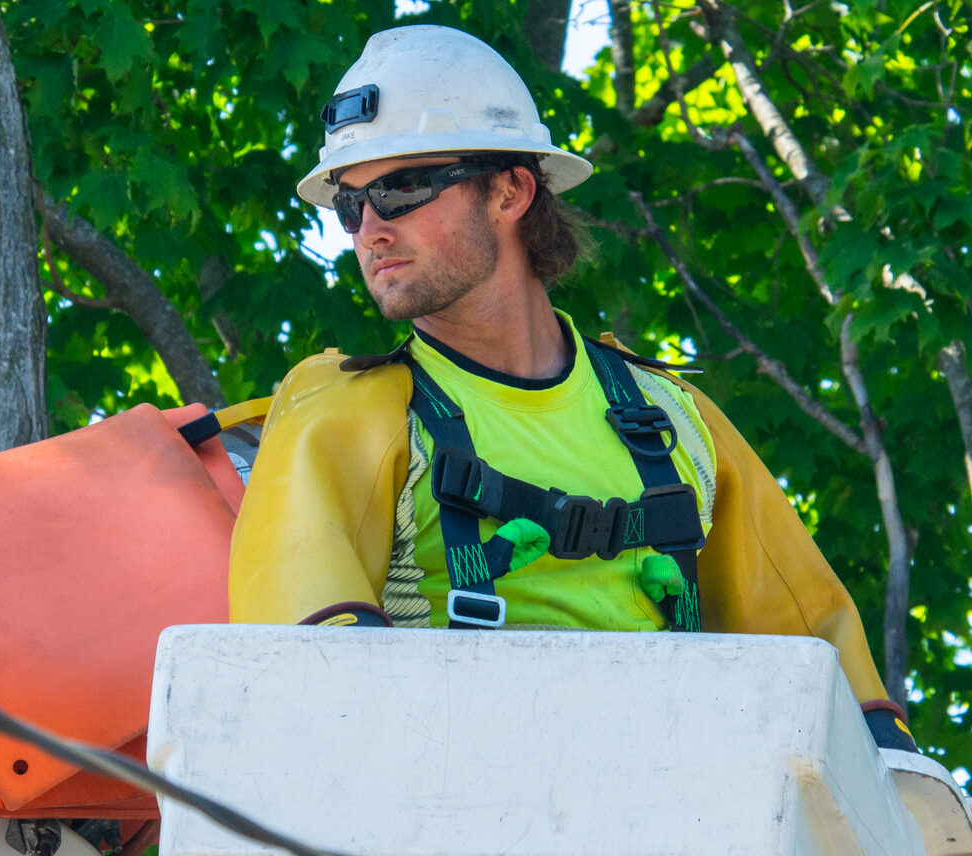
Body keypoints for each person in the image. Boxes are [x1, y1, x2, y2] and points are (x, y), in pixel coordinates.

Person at [226, 25, 916, 752]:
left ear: (510, 189)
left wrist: (937, 827)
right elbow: (302, 669)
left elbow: (829, 674)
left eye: (401, 189)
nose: (368, 230)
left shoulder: (675, 422)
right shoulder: (346, 411)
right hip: (441, 821)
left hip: (683, 831)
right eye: (349, 203)